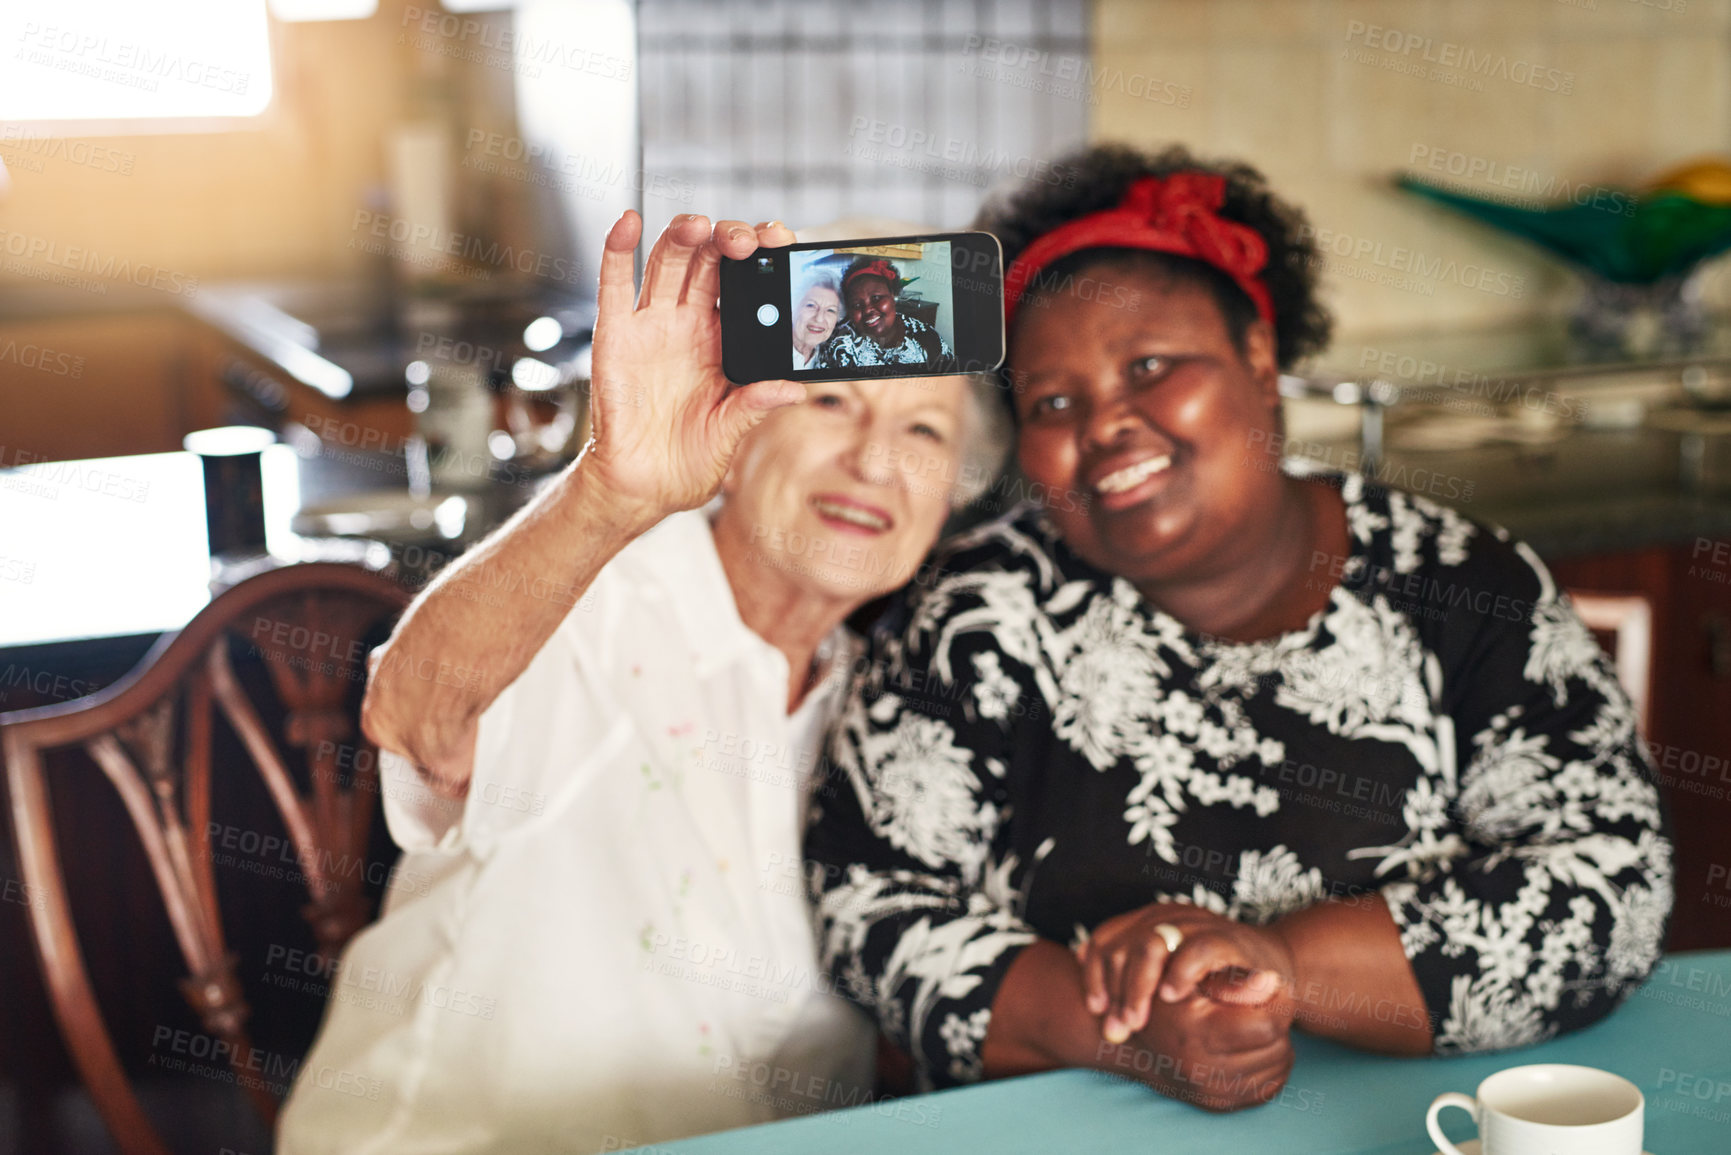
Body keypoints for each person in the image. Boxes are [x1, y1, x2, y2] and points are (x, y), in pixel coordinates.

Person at [805, 144, 1673, 1111]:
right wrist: (1126, 1036)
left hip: (1401, 1124)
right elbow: (870, 905)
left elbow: (1609, 885)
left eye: (1149, 366)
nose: (1105, 424)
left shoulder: (1462, 586)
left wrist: (1278, 967)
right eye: (1053, 401)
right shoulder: (974, 613)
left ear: (1258, 359)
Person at [275, 210, 1008, 1154]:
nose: (874, 462)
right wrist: (605, 496)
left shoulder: (890, 707)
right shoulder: (599, 597)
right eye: (832, 403)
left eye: (921, 429)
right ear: (739, 433)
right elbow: (411, 715)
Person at [818, 258, 956, 372]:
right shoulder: (838, 345)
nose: (867, 310)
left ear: (893, 295)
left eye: (876, 298)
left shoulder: (925, 335)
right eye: (857, 305)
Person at [792, 268, 844, 369]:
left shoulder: (833, 360)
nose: (819, 318)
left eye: (830, 310)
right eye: (811, 305)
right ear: (793, 308)